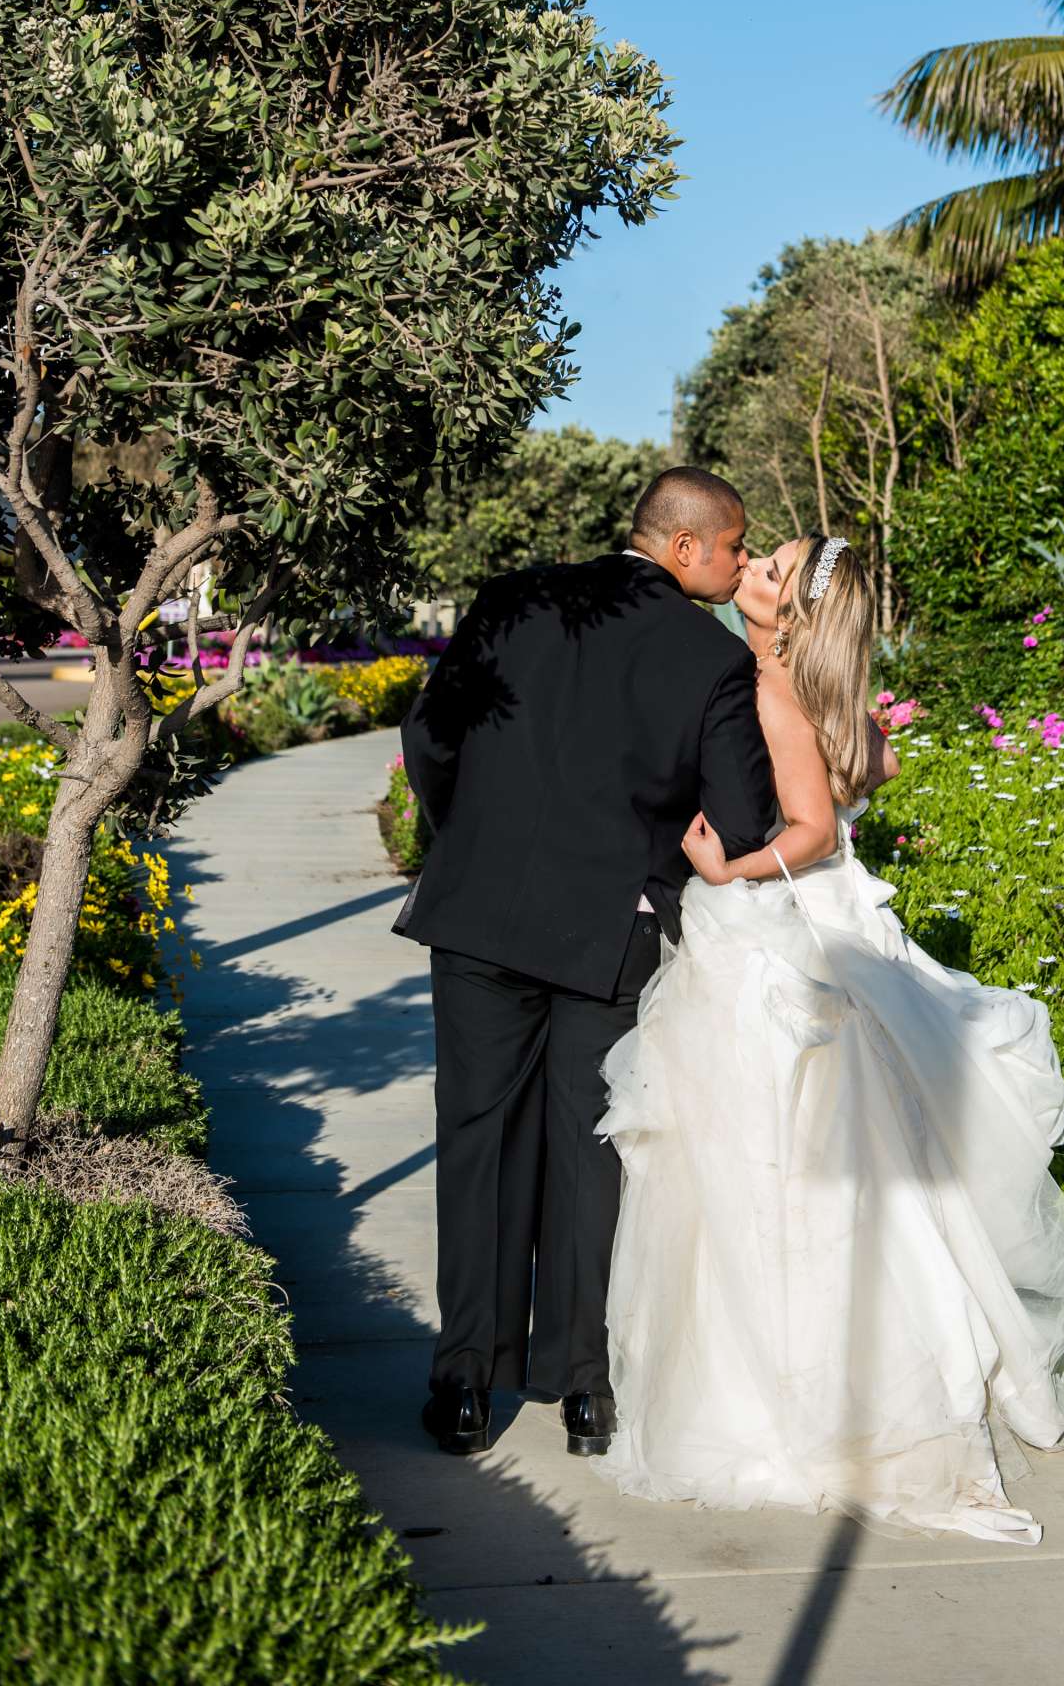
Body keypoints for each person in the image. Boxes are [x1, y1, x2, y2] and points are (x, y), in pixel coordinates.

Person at [598, 533, 1064, 1538]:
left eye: (768, 570)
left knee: (764, 1159)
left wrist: (729, 872)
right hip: (840, 922)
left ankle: (787, 1388)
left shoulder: (767, 687)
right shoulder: (837, 702)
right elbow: (870, 772)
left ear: (793, 614)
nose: (747, 572)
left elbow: (815, 831)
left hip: (786, 933)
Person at [394, 468, 774, 1458]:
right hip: (613, 928)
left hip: (479, 917)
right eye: (734, 545)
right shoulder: (710, 658)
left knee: (476, 1141)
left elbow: (429, 732)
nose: (741, 563)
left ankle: (465, 1383)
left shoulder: (514, 600)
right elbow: (735, 824)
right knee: (591, 1151)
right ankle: (583, 1391)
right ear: (684, 547)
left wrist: (462, 837)